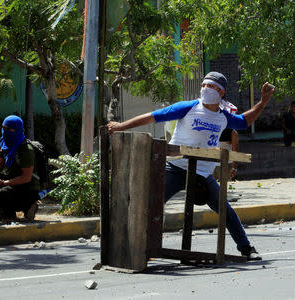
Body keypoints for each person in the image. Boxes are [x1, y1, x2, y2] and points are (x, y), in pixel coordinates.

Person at [108, 71, 276, 260]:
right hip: (177, 167)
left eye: (211, 86)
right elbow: (152, 117)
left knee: (225, 210)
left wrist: (263, 102)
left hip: (203, 173)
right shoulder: (188, 108)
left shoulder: (224, 117)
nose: (206, 89)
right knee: (151, 204)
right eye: (204, 85)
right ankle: (137, 248)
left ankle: (247, 249)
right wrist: (121, 126)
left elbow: (245, 122)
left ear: (221, 92)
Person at [0, 115, 40, 221]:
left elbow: (26, 177)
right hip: (12, 180)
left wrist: (3, 183)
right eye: (3, 127)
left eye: (8, 128)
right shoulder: (6, 143)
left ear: (17, 129)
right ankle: (8, 212)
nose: (4, 131)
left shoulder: (25, 150)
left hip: (27, 187)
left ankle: (28, 205)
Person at [213, 99, 239, 180]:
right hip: (211, 164)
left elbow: (235, 151)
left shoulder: (232, 133)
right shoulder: (212, 128)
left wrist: (234, 168)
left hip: (225, 165)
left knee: (224, 190)